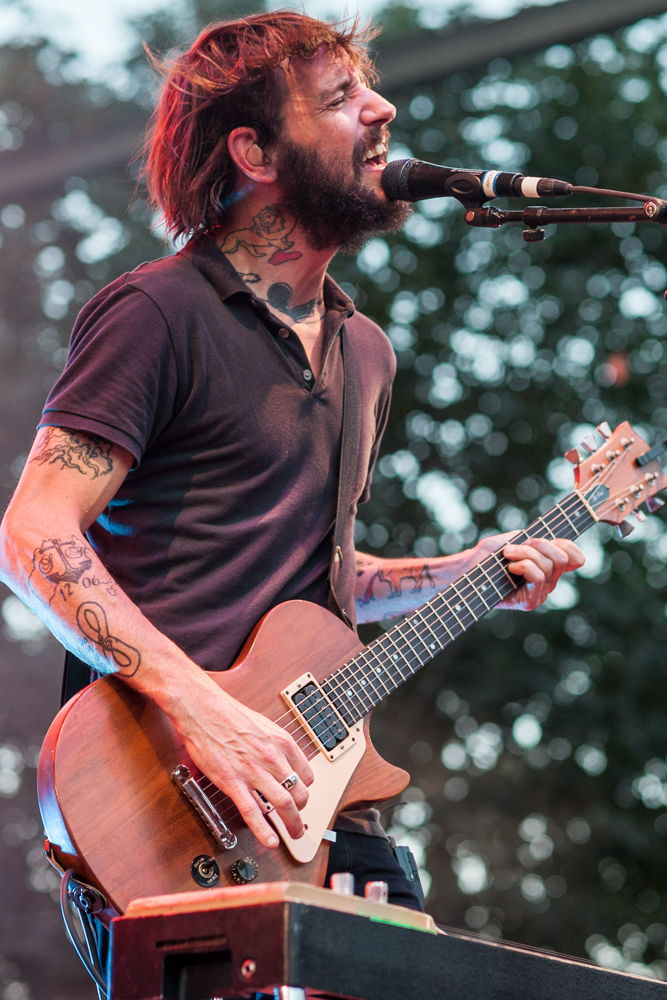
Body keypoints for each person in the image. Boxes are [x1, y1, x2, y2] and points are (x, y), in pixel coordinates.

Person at [0, 12, 584, 915]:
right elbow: (33, 531)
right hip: (162, 806)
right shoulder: (158, 313)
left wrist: (456, 574)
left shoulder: (367, 354)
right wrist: (207, 710)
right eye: (343, 98)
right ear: (255, 152)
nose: (383, 109)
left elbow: (319, 586)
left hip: (316, 801)